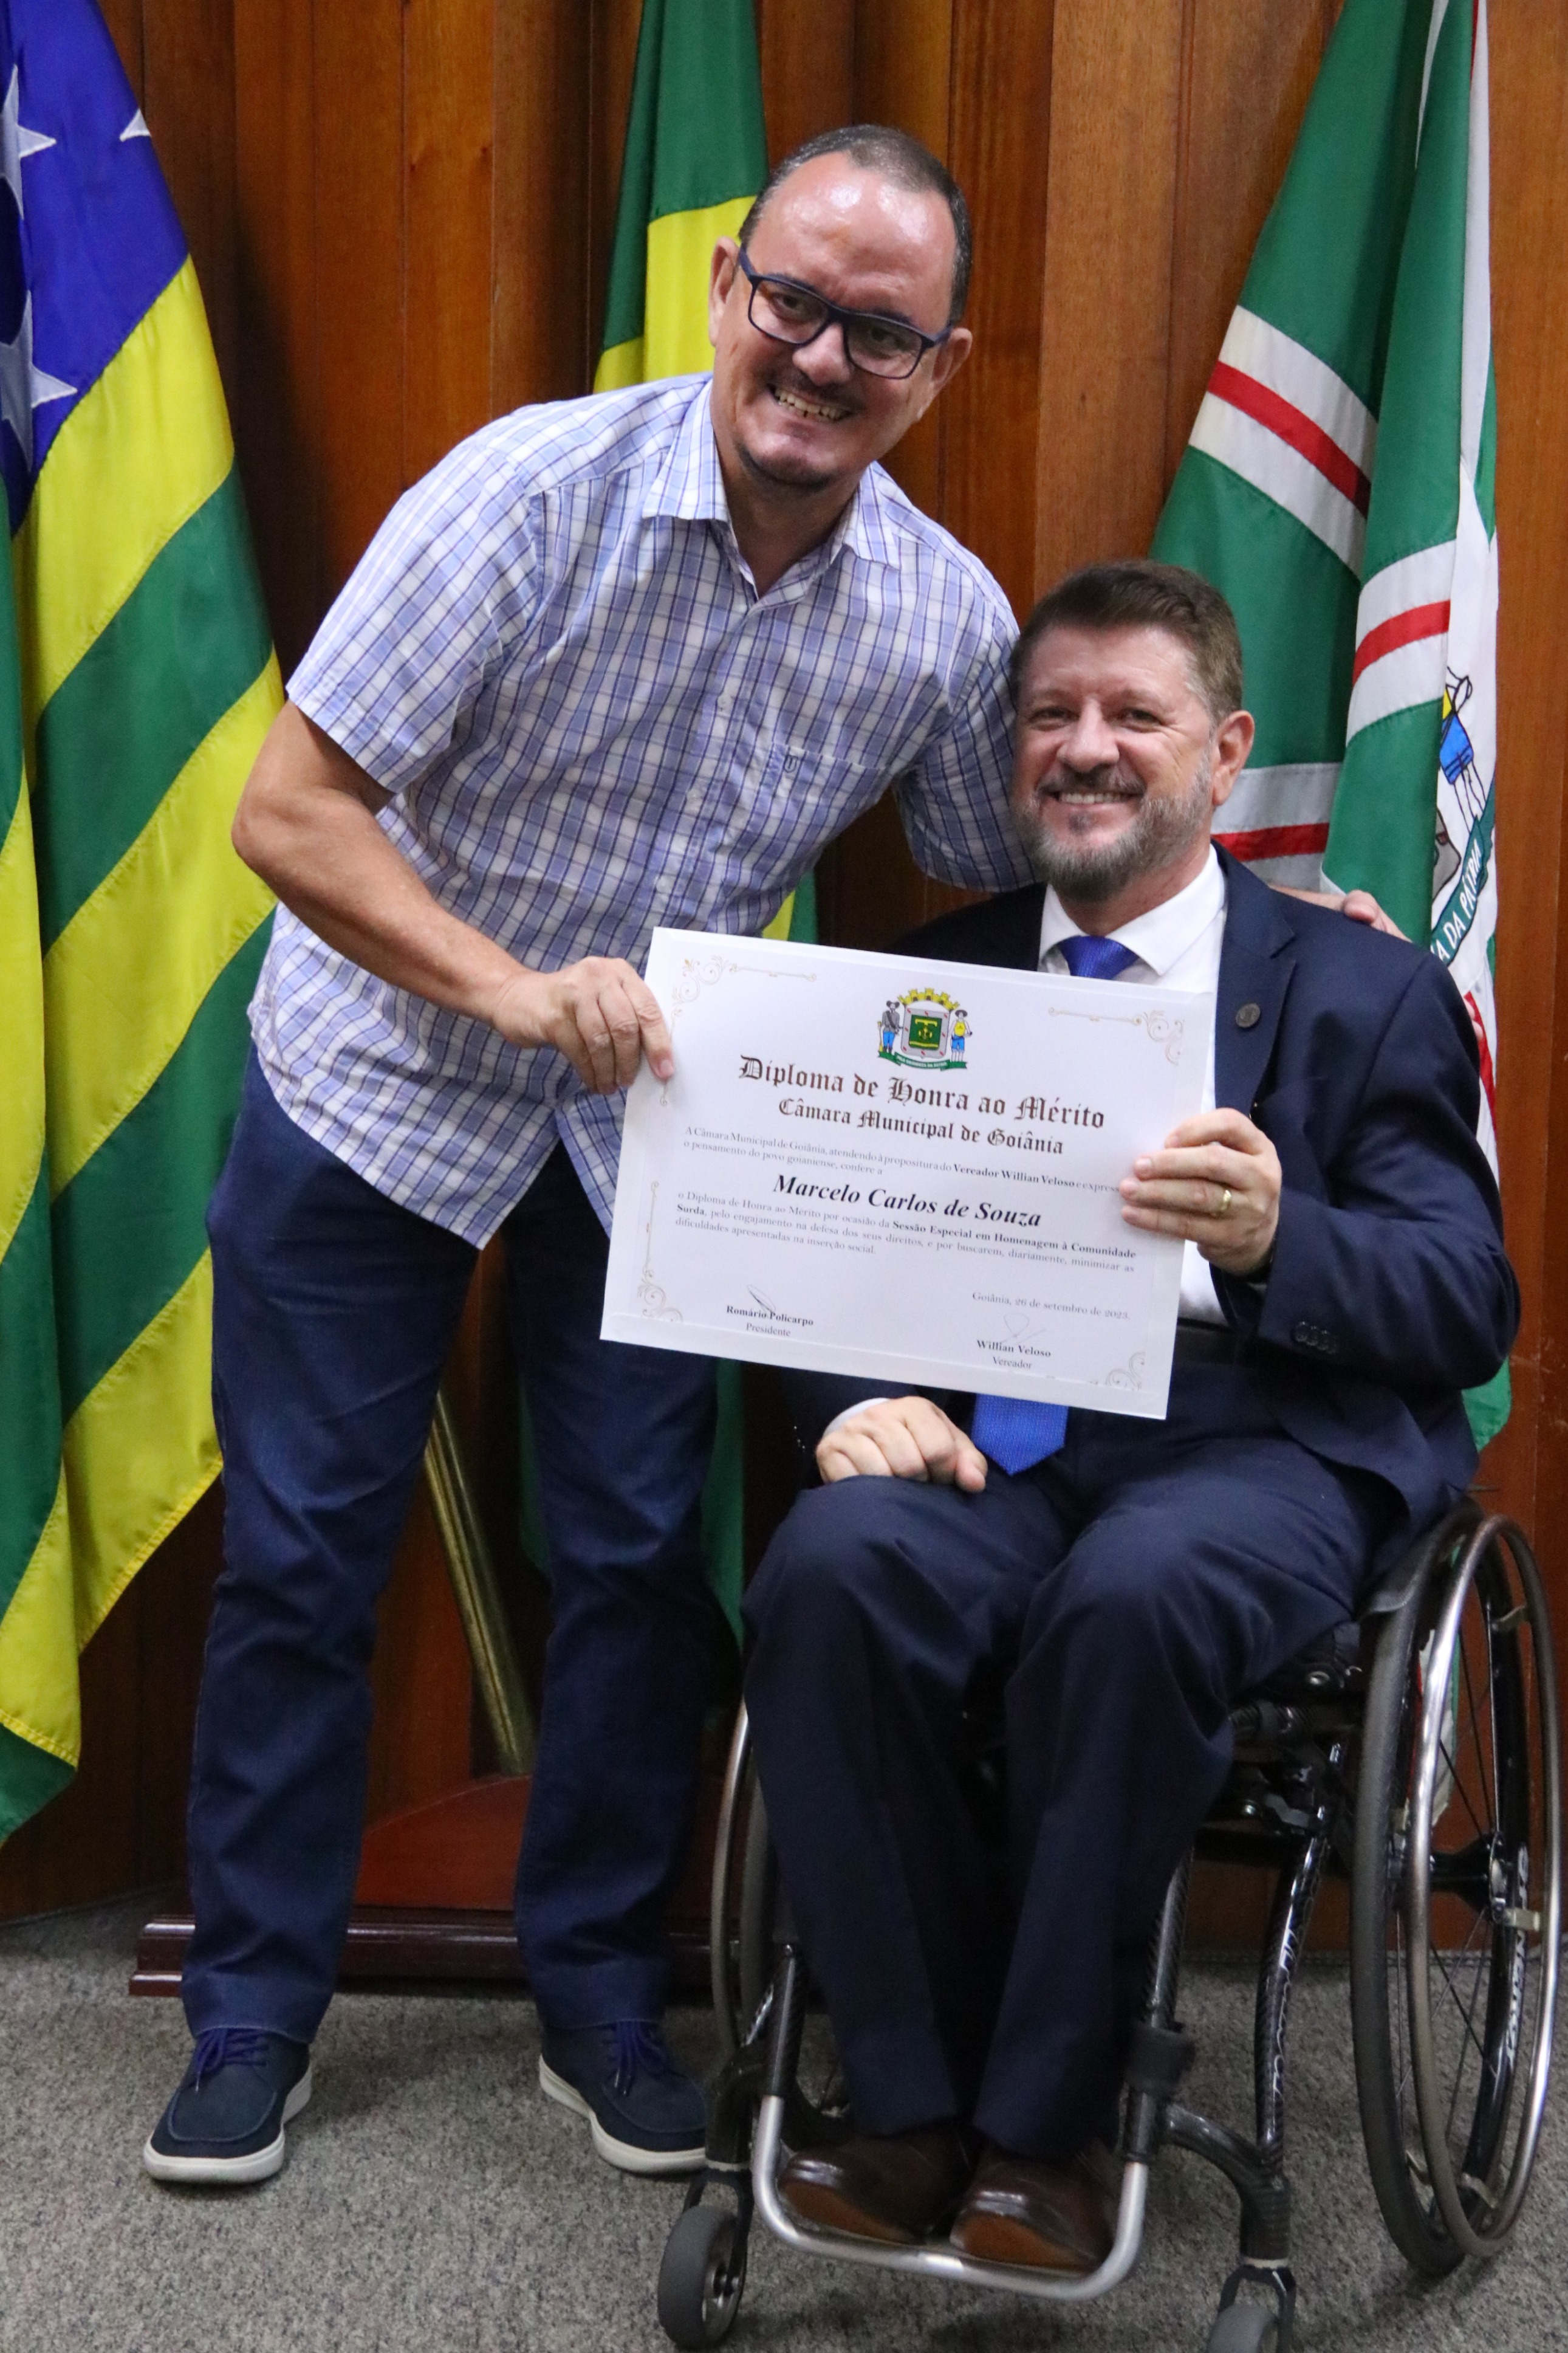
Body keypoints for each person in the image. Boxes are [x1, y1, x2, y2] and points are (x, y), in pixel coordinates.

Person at [142, 123, 1037, 2190]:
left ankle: (603, 1996)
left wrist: (1271, 925)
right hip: (376, 1075)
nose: (820, 357)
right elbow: (290, 810)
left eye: (879, 333)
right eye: (792, 300)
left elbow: (1012, 881)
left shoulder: (942, 617)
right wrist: (514, 990)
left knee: (637, 1562)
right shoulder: (526, 494)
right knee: (303, 1559)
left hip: (658, 1135)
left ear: (942, 368)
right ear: (727, 285)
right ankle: (254, 2011)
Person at [742, 559, 1518, 2272]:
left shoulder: (1362, 990)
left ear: (1224, 752)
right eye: (1051, 715)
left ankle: (1049, 2132)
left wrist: (1277, 1238)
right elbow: (811, 1251)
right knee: (831, 1567)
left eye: (1133, 715)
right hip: (997, 1445)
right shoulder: (925, 986)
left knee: (1133, 1598)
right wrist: (853, 1399)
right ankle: (911, 2106)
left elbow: (1469, 1301)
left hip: (1261, 1447)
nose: (1085, 747)